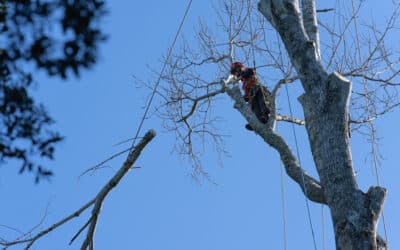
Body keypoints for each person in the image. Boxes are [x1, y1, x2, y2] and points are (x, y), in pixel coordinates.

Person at [230, 62, 271, 130]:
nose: (236, 74)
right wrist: (241, 99)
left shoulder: (247, 71)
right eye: (235, 73)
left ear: (239, 69)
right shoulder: (244, 83)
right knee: (254, 108)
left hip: (258, 89)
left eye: (236, 72)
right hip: (251, 96)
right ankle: (257, 122)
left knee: (261, 102)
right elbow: (246, 95)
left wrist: (240, 77)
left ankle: (265, 115)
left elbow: (251, 71)